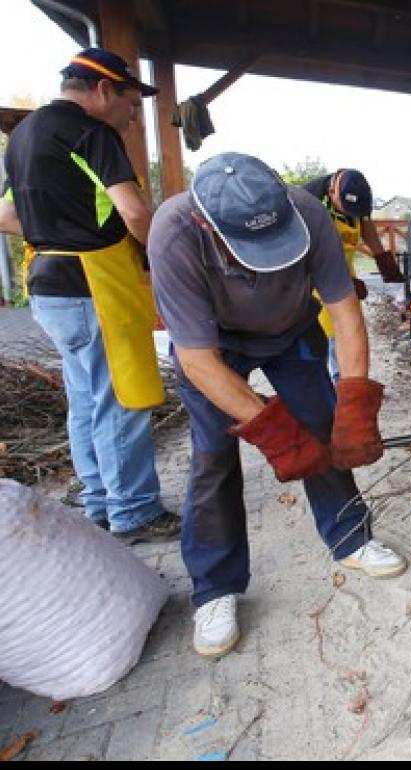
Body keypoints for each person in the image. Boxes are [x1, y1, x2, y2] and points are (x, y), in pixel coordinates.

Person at [148, 152, 407, 658]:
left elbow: (347, 315)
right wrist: (274, 432)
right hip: (214, 345)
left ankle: (351, 539)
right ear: (206, 221)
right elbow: (199, 363)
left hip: (291, 332)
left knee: (324, 425)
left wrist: (354, 406)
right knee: (213, 456)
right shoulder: (174, 235)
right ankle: (215, 587)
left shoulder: (309, 214)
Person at [0, 48, 180, 543]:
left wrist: (54, 232)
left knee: (86, 399)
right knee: (121, 397)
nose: (131, 115)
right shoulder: (91, 133)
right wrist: (168, 259)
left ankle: (100, 501)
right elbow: (136, 213)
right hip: (93, 284)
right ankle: (135, 511)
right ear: (104, 89)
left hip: (48, 285)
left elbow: (7, 216)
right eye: (130, 102)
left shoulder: (23, 136)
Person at [302, 168, 403, 380]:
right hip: (313, 281)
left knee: (349, 330)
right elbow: (307, 253)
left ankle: (346, 386)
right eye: (347, 211)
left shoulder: (359, 195)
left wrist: (384, 262)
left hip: (345, 275)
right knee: (328, 334)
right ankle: (331, 387)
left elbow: (366, 226)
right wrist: (344, 281)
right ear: (333, 192)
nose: (351, 216)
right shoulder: (309, 200)